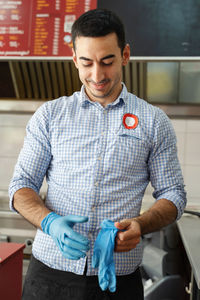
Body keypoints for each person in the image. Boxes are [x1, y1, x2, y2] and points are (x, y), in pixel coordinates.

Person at [9, 8, 186, 300]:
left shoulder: (153, 122)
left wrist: (140, 225)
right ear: (75, 59)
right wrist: (49, 222)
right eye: (87, 63)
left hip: (117, 281)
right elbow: (20, 187)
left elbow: (174, 194)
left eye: (107, 62)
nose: (97, 75)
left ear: (125, 55)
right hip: (49, 276)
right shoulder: (50, 116)